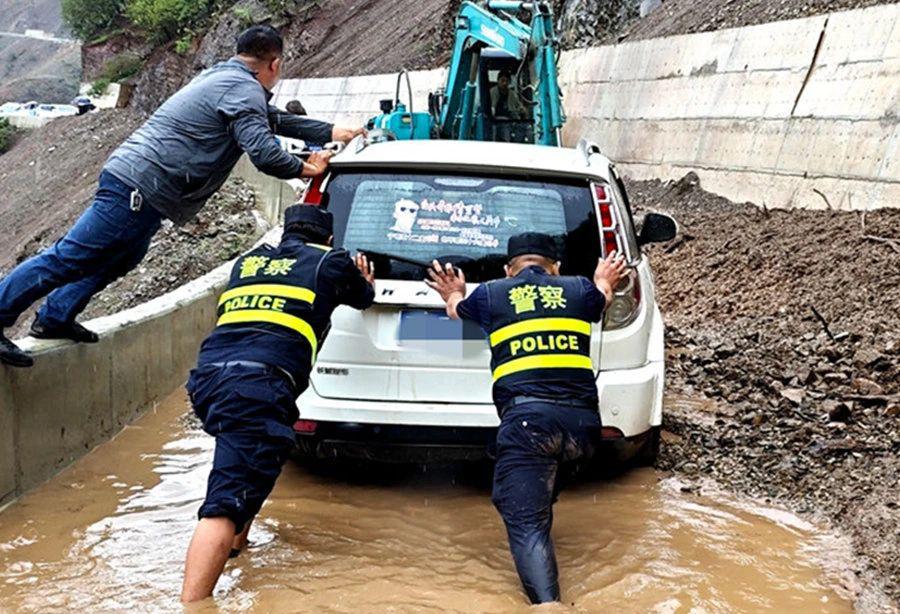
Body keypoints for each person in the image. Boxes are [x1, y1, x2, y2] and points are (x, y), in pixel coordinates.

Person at [0, 24, 365, 368]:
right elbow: (265, 153)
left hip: (140, 185)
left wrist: (334, 130)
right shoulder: (243, 90)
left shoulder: (221, 76)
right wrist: (306, 169)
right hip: (138, 186)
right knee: (70, 256)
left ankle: (55, 317)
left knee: (122, 258)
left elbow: (274, 120)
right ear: (275, 63)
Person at [181, 205, 375, 602]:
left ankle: (238, 545)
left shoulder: (247, 263)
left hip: (211, 379)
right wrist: (364, 278)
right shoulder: (329, 261)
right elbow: (363, 297)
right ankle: (193, 605)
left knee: (255, 459)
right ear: (329, 239)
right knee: (224, 502)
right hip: (258, 384)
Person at [425, 233, 626, 604]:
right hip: (583, 428)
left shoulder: (492, 293)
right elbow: (604, 298)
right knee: (543, 492)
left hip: (529, 425)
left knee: (526, 523)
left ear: (507, 269)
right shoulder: (580, 289)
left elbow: (456, 310)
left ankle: (548, 607)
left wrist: (453, 291)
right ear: (556, 269)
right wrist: (603, 278)